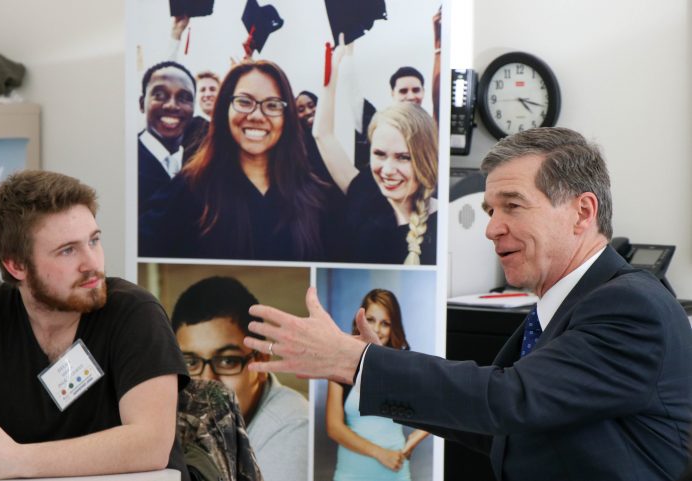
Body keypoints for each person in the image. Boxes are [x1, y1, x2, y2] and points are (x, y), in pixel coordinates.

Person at [244, 127, 692, 481]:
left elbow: (507, 400)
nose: (492, 229)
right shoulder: (563, 305)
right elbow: (503, 427)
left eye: (512, 206)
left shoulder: (631, 307)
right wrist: (371, 366)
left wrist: (359, 361)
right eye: (489, 211)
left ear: (582, 211)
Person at [0, 170, 191, 480]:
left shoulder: (135, 313)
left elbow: (151, 444)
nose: (92, 263)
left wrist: (17, 460)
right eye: (67, 250)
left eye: (94, 241)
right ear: (16, 265)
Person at [139, 59, 337, 261]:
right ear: (225, 108)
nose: (257, 115)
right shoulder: (189, 189)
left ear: (287, 117)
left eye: (272, 105)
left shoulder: (316, 197)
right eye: (244, 102)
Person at [171, 276, 307, 481]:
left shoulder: (293, 429)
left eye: (227, 361)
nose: (207, 380)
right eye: (190, 362)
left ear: (261, 361)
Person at [314, 41, 438, 265]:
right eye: (379, 154)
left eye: (403, 157)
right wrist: (334, 65)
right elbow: (322, 134)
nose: (388, 170)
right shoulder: (363, 191)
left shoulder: (440, 219)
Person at [327, 289, 428, 480]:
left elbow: (440, 406)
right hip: (349, 475)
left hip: (395, 474)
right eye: (371, 320)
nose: (376, 329)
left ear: (393, 327)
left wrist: (415, 439)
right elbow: (334, 427)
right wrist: (381, 454)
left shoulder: (404, 366)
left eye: (385, 323)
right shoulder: (340, 364)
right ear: (360, 321)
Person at [138, 60, 208, 213]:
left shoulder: (198, 166)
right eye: (160, 95)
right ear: (142, 104)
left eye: (184, 98)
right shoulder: (129, 162)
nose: (172, 105)